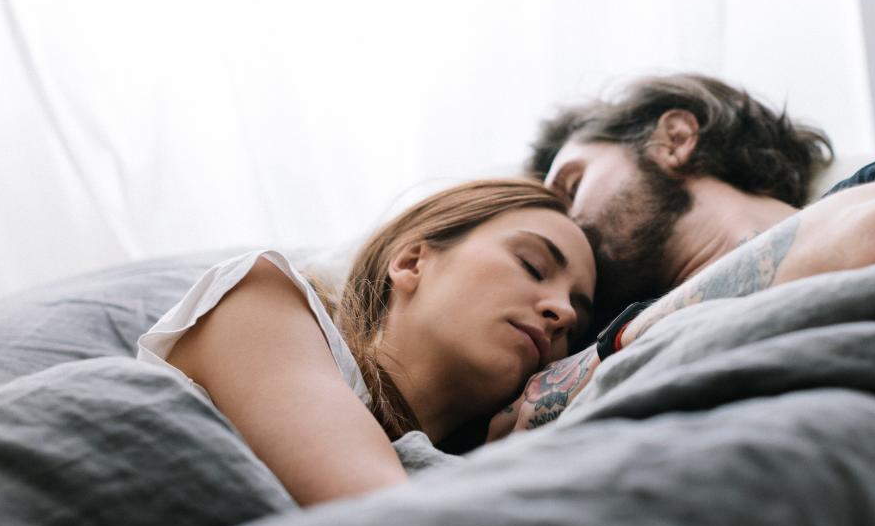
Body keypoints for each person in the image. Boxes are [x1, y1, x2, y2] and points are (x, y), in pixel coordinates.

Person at [487, 73, 875, 439]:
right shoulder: (568, 345)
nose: (565, 231)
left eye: (570, 185)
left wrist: (610, 351)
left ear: (674, 139)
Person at [137, 179, 595, 505]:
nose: (564, 313)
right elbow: (386, 525)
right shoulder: (260, 298)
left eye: (577, 322)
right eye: (532, 266)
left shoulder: (471, 468)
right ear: (413, 261)